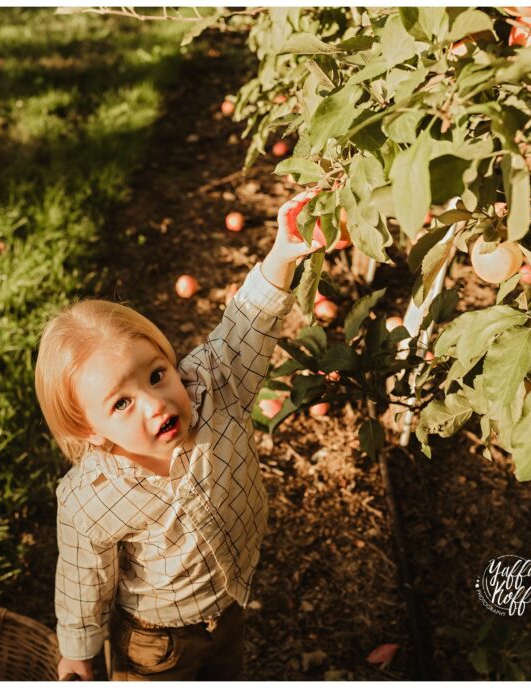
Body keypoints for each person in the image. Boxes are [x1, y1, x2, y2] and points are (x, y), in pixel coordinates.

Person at [34, 190, 323, 680]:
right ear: (90, 430)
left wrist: (281, 254)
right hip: (155, 642)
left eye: (156, 375)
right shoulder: (89, 500)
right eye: (121, 404)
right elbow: (83, 582)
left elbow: (246, 325)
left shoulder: (214, 389)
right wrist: (79, 654)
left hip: (229, 606)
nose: (156, 404)